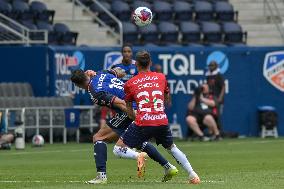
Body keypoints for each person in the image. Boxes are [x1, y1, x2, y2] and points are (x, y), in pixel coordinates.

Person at [71, 68, 171, 184]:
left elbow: (122, 104)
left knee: (98, 138)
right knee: (137, 141)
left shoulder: (95, 92)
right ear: (85, 73)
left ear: (77, 85)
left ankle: (102, 176)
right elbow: (121, 71)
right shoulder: (101, 73)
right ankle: (168, 167)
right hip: (138, 102)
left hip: (129, 109)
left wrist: (139, 120)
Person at [121, 50, 200, 184]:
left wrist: (139, 119)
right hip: (161, 120)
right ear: (150, 63)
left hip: (143, 121)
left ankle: (138, 155)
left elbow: (129, 110)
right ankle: (193, 175)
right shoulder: (161, 77)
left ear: (136, 65)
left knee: (118, 149)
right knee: (172, 148)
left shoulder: (130, 83)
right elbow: (167, 98)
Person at [205, 61, 225, 128]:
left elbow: (223, 87)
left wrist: (220, 98)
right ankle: (213, 132)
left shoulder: (218, 75)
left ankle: (218, 132)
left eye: (212, 65)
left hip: (217, 99)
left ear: (216, 66)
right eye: (209, 65)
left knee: (217, 116)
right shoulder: (208, 75)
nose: (210, 67)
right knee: (210, 116)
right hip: (210, 99)